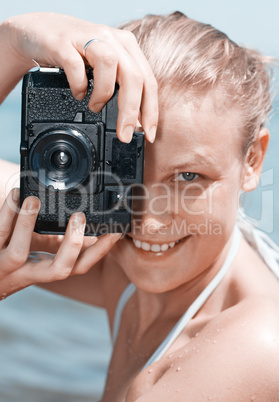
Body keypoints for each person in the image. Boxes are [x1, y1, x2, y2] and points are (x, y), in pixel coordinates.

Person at [0, 10, 279, 401]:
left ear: (252, 160)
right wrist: (11, 44)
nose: (148, 220)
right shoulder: (126, 265)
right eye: (124, 171)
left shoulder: (244, 354)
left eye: (187, 177)